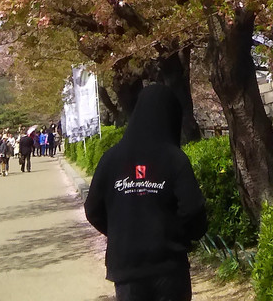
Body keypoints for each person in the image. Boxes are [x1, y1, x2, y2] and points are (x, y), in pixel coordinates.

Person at [84, 84, 207, 301]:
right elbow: (192, 209)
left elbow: (93, 209)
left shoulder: (111, 159)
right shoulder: (174, 158)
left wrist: (121, 232)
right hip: (168, 265)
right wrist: (178, 236)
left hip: (126, 266)